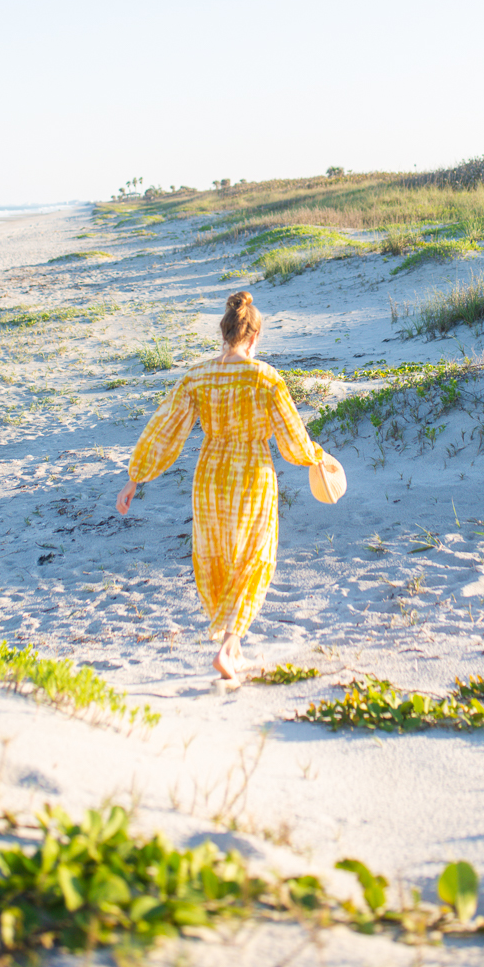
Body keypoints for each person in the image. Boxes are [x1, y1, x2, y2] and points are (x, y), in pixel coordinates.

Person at [116, 291, 327, 685]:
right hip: (251, 474)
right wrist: (316, 457)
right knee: (253, 557)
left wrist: (136, 477)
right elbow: (292, 438)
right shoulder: (266, 377)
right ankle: (229, 647)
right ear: (254, 336)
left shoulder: (198, 377)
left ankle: (235, 648)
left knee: (218, 557)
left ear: (225, 334)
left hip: (210, 475)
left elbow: (165, 429)